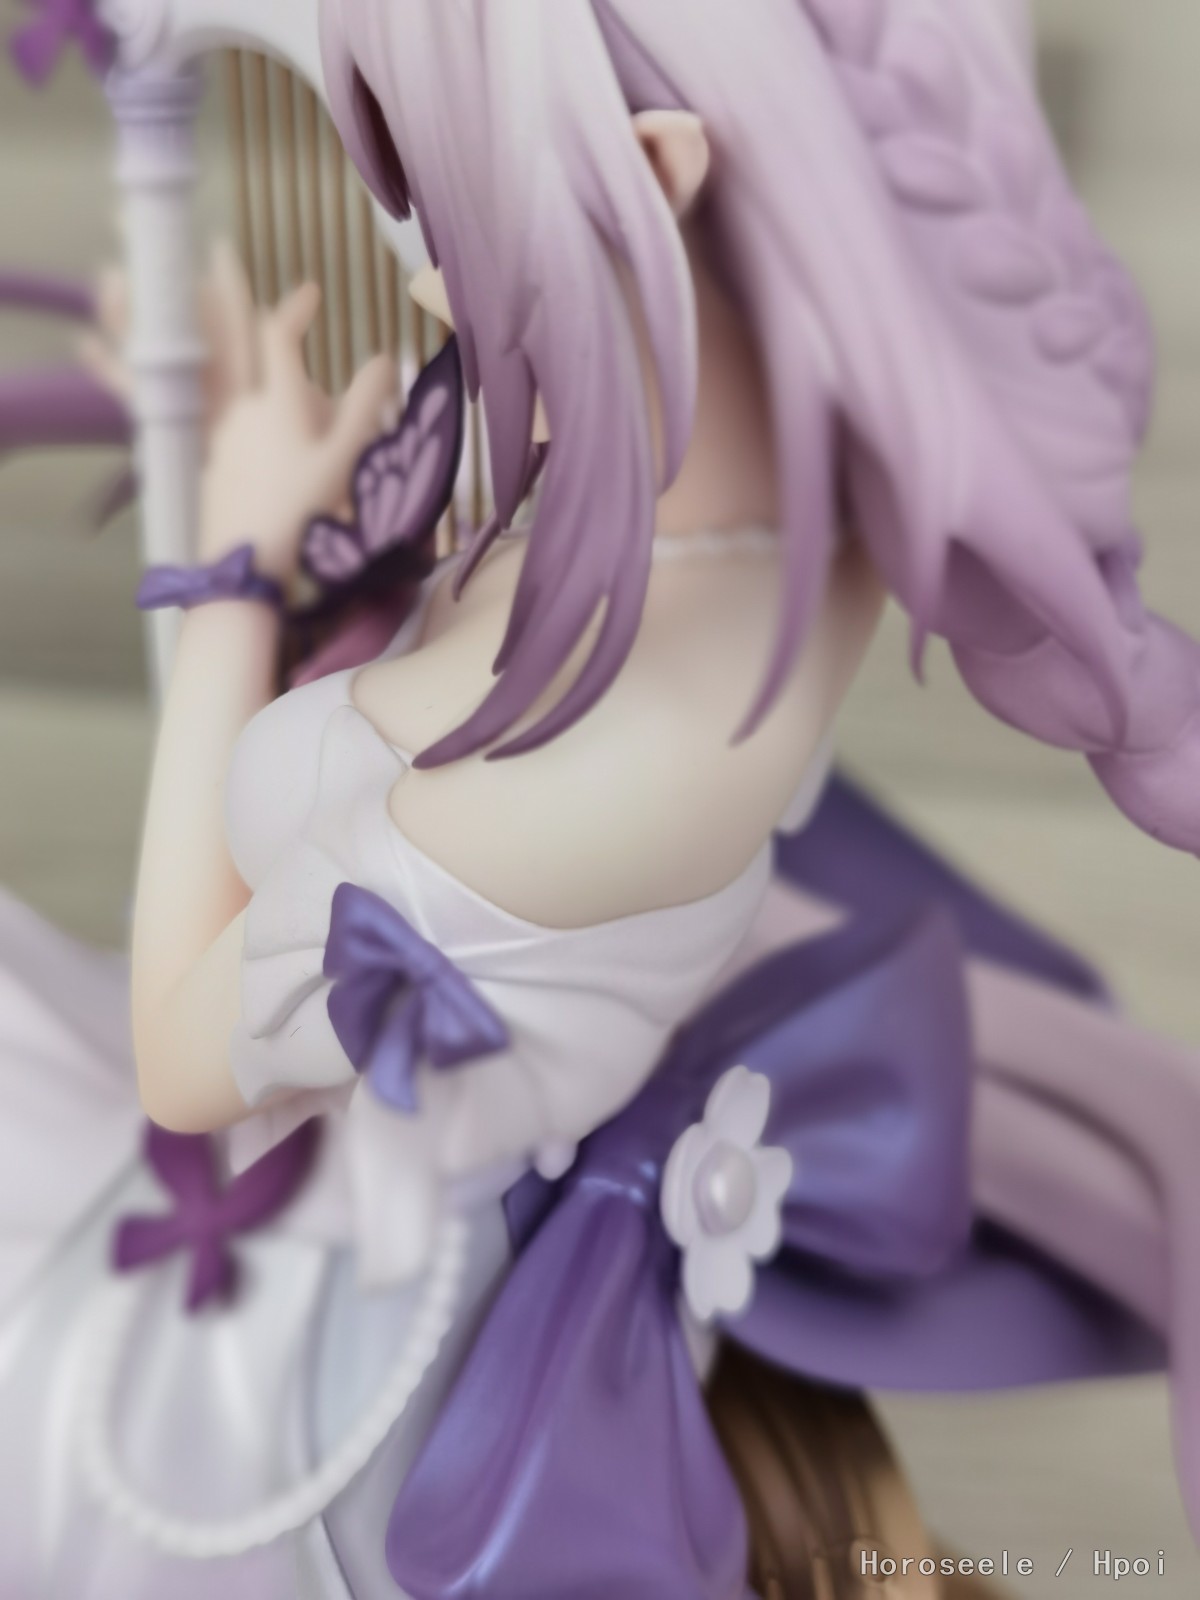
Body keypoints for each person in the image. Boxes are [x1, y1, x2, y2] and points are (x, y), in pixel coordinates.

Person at [1, 1, 1199, 1595]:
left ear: (657, 171)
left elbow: (176, 1061)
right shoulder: (805, 550)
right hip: (364, 1152)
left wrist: (233, 568)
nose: (428, 290)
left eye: (452, 223)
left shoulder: (550, 791)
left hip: (339, 1343)